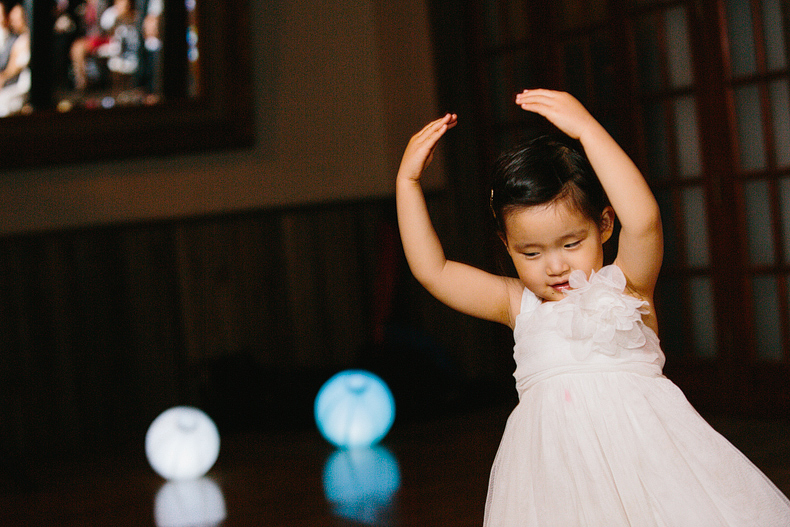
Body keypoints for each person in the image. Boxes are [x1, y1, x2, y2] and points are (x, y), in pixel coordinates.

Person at [396, 88, 790, 525]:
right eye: (531, 253)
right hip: (555, 484)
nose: (555, 265)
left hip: (649, 472)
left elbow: (643, 221)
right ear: (506, 245)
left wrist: (588, 130)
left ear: (604, 225)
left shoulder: (628, 286)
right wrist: (407, 184)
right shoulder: (518, 305)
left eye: (571, 243)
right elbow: (433, 270)